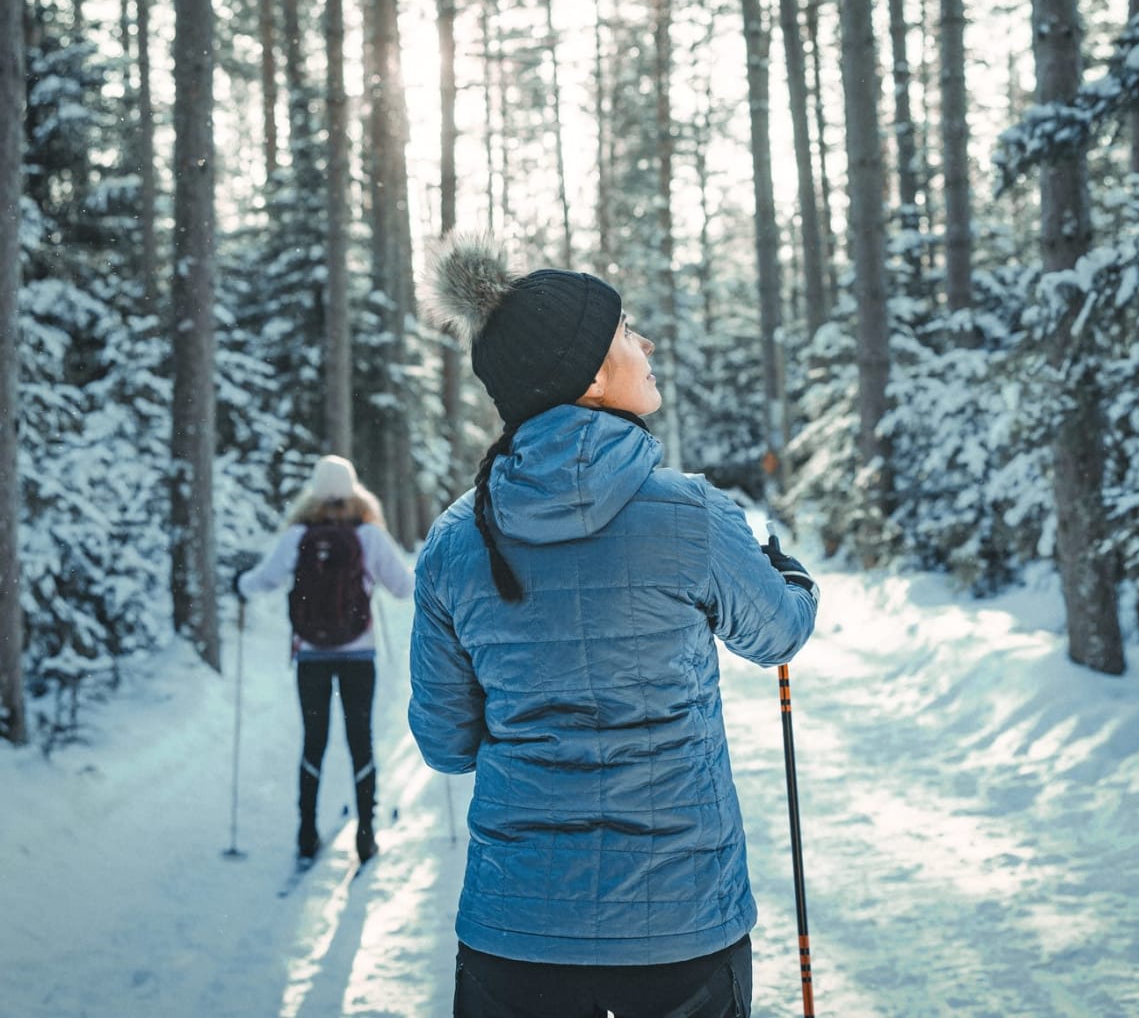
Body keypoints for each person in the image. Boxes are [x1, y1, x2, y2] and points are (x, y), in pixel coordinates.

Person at [409, 237, 819, 1018]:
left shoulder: (457, 543)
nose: (647, 343)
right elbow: (778, 635)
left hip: (514, 936)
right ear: (591, 373)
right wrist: (791, 576)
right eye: (628, 329)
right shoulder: (692, 513)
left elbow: (446, 744)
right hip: (681, 931)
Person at [235, 454, 414, 864]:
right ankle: (366, 834)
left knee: (313, 742)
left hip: (311, 656)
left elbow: (261, 580)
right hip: (359, 655)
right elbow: (404, 587)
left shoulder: (298, 535)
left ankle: (306, 832)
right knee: (360, 740)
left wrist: (238, 584)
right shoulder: (368, 536)